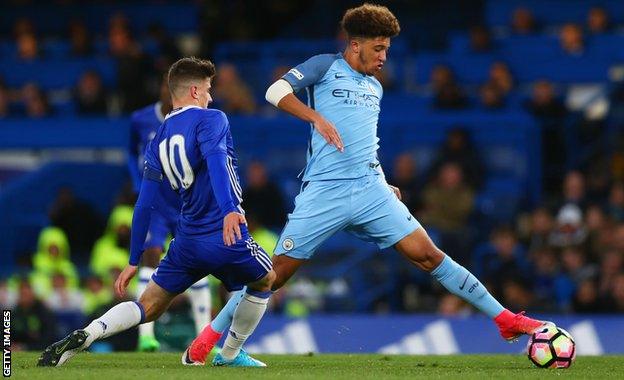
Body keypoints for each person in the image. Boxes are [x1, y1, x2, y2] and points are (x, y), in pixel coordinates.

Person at [186, 3, 551, 362]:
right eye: (378, 48)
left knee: (429, 256)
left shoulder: (374, 87)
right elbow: (275, 92)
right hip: (325, 191)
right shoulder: (325, 65)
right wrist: (315, 118)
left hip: (369, 189)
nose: (383, 57)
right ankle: (207, 342)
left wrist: (381, 178)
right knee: (271, 276)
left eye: (387, 50)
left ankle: (506, 320)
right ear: (355, 44)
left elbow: (365, 141)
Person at [38, 57, 275, 368]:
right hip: (223, 232)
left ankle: (89, 332)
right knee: (266, 278)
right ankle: (229, 355)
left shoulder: (158, 137)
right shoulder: (212, 119)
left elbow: (144, 203)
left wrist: (134, 259)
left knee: (147, 305)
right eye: (206, 89)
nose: (210, 96)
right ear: (193, 91)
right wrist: (230, 209)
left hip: (186, 239)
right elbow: (217, 162)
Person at [127, 75, 213, 352]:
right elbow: (131, 152)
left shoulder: (194, 119)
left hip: (187, 201)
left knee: (199, 262)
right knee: (151, 255)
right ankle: (146, 336)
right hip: (157, 204)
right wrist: (135, 180)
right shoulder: (140, 119)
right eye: (164, 88)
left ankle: (203, 335)